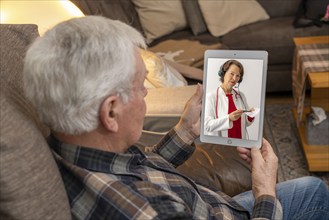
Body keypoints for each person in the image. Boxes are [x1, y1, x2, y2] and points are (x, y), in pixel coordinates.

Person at [23, 16, 328, 220]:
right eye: (141, 85)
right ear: (111, 112)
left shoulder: (80, 145)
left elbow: (139, 168)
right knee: (315, 191)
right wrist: (264, 191)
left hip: (209, 204)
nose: (145, 92)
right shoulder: (150, 212)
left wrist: (185, 131)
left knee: (314, 189)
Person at [204, 60, 255, 139]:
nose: (234, 78)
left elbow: (245, 123)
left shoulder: (241, 95)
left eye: (238, 76)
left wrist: (250, 116)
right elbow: (207, 125)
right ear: (223, 73)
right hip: (222, 145)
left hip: (240, 141)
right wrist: (229, 118)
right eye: (232, 74)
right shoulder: (211, 97)